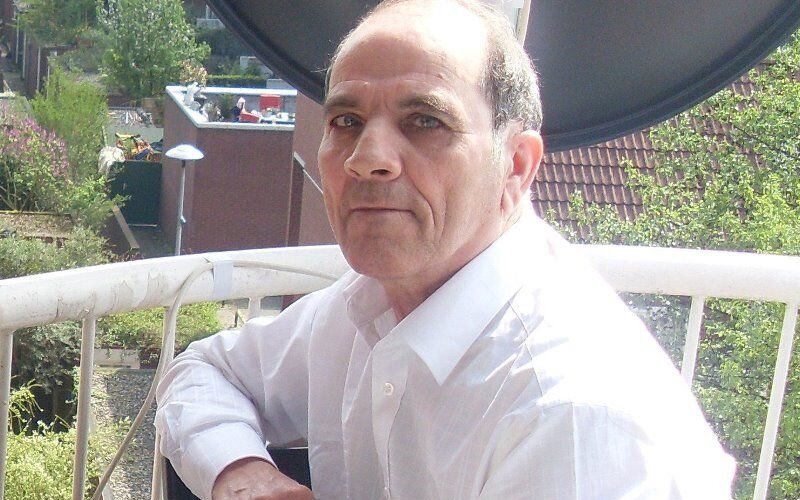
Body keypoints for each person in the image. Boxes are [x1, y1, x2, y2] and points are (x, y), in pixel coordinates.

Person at [156, 1, 736, 498]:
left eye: (425, 121)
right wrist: (244, 474)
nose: (367, 158)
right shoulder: (367, 307)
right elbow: (205, 372)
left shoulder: (574, 419)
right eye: (347, 120)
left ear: (515, 165)